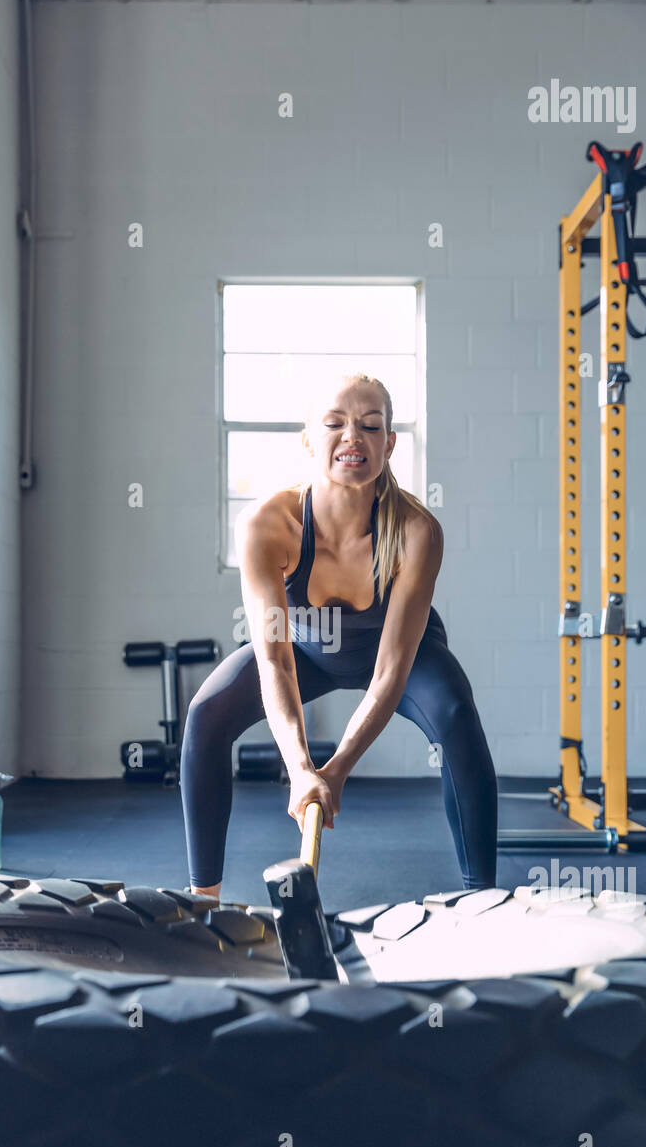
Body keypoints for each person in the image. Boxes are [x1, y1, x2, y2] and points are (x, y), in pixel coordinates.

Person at [180, 372, 498, 901]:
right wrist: (301, 769)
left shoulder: (418, 532)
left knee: (456, 715)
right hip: (304, 653)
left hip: (401, 656)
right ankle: (202, 902)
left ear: (389, 444)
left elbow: (391, 670)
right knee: (206, 714)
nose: (353, 437)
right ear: (309, 439)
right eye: (335, 424)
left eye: (370, 427)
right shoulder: (268, 524)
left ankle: (484, 899)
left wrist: (338, 769)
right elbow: (275, 661)